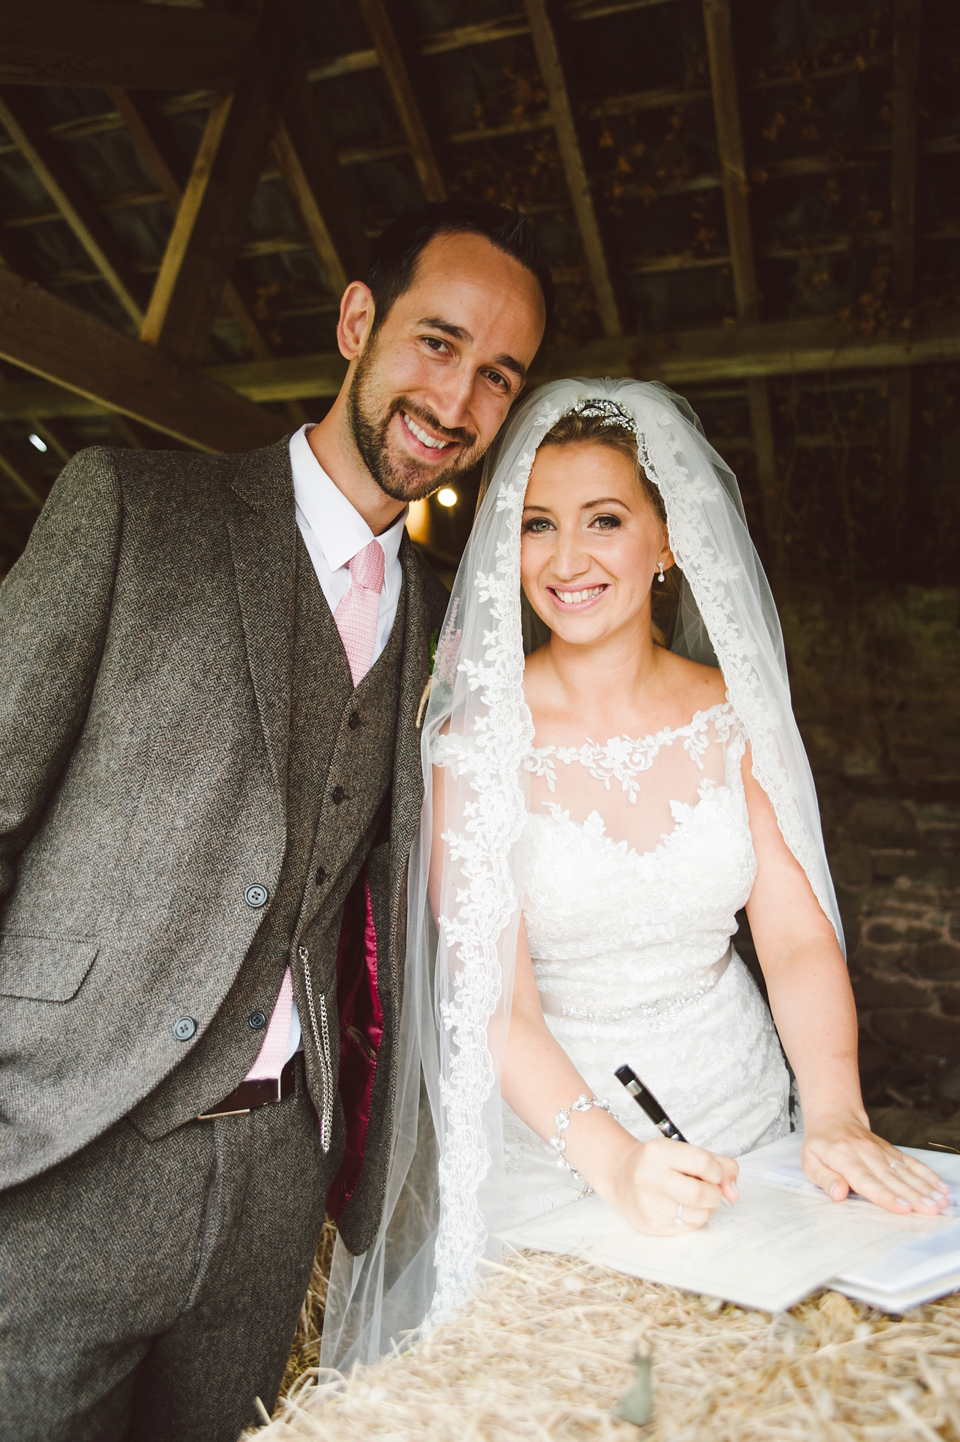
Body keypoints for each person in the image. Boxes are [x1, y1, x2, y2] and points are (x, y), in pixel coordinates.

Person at [0, 201, 548, 1442]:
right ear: (359, 321)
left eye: (498, 375)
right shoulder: (135, 510)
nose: (457, 398)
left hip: (278, 1184)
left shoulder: (457, 625)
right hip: (56, 1152)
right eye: (437, 341)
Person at [321, 377, 949, 1368]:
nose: (566, 559)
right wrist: (614, 1163)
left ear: (665, 541)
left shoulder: (733, 711)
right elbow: (496, 1001)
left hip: (744, 1110)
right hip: (560, 1135)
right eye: (536, 525)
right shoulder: (474, 744)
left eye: (603, 519)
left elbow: (791, 933)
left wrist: (835, 1106)